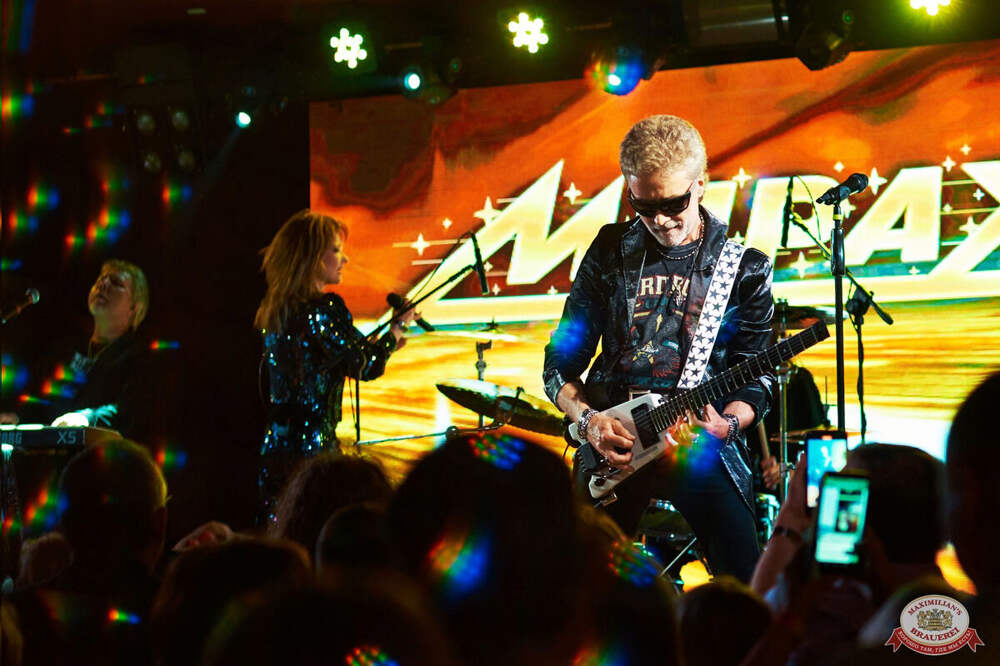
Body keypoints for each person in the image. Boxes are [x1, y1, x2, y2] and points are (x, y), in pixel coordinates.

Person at [543, 114, 775, 582]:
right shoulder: (609, 250)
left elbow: (759, 377)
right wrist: (588, 422)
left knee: (745, 580)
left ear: (701, 184)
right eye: (643, 206)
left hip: (700, 446)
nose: (660, 220)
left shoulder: (744, 268)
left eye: (673, 203)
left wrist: (728, 423)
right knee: (577, 587)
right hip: (612, 447)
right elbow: (560, 362)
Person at [254, 209, 414, 523]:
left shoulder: (277, 311)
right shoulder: (324, 309)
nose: (345, 259)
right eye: (336, 250)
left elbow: (334, 356)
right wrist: (397, 330)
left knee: (284, 527)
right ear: (313, 257)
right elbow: (366, 365)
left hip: (276, 448)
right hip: (313, 452)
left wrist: (382, 343)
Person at [5, 260, 153, 437]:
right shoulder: (68, 348)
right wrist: (18, 416)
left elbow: (128, 410)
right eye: (100, 279)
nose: (103, 284)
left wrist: (86, 419)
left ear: (135, 307)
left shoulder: (139, 359)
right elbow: (47, 400)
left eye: (115, 283)